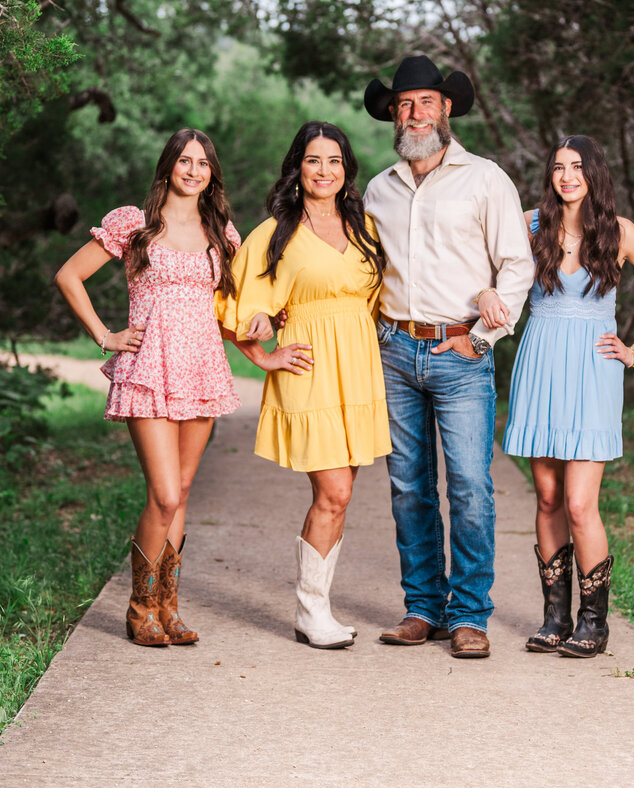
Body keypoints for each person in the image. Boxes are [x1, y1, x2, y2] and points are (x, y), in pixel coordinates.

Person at [363, 54, 534, 659]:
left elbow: (517, 265)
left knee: (468, 485)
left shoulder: (485, 178)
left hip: (460, 352)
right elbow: (362, 269)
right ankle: (422, 608)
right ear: (394, 114)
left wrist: (482, 338)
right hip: (395, 349)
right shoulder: (378, 189)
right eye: (404, 104)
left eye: (425, 102)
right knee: (408, 485)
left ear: (447, 108)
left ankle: (469, 614)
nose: (414, 113)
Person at [55, 128, 250, 647]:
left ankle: (168, 607)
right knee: (163, 495)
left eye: (203, 163)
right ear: (168, 167)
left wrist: (266, 345)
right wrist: (105, 336)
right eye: (185, 161)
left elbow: (237, 305)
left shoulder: (221, 231)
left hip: (201, 368)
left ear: (212, 173)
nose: (194, 170)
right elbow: (70, 276)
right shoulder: (134, 223)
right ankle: (140, 607)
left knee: (182, 492)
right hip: (147, 369)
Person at [498, 134, 634, 658]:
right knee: (549, 497)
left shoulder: (619, 232)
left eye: (577, 167)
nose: (567, 176)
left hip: (593, 370)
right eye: (558, 167)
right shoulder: (530, 223)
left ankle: (594, 622)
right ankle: (554, 618)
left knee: (581, 504)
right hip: (540, 362)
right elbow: (485, 261)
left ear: (594, 173)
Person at [216, 122, 390, 651]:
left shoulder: (365, 227)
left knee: (343, 496)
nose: (325, 171)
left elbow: (377, 299)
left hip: (357, 366)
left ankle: (319, 609)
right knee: (333, 493)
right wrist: (264, 359)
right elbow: (234, 305)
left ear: (346, 170)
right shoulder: (275, 233)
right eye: (314, 161)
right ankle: (310, 611)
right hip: (309, 367)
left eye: (334, 161)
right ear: (298, 168)